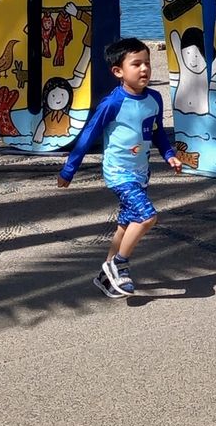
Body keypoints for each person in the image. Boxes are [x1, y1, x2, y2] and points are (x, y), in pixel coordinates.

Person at [57, 37, 183, 298]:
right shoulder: (113, 103)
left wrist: (169, 154)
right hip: (118, 173)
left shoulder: (154, 99)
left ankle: (105, 278)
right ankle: (119, 264)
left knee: (125, 225)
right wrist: (69, 169)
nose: (144, 69)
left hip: (141, 173)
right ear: (118, 71)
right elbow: (89, 135)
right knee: (147, 216)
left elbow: (157, 132)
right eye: (136, 64)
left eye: (147, 63)